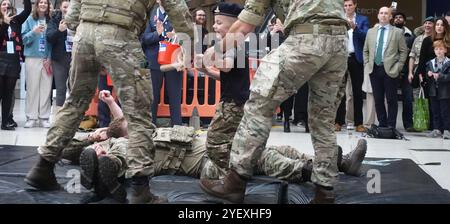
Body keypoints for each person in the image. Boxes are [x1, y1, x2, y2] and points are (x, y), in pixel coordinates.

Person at [24, 0, 194, 204]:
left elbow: (74, 13)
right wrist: (189, 51)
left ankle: (42, 167)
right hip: (122, 38)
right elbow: (182, 18)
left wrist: (93, 47)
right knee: (139, 114)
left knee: (74, 103)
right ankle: (140, 188)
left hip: (84, 37)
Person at [199, 0, 349, 204]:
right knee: (323, 121)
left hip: (306, 40)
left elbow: (244, 25)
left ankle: (234, 181)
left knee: (258, 103)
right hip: (339, 46)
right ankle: (324, 192)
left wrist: (213, 52)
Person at [61, 90, 368, 202]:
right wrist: (94, 143)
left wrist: (113, 104)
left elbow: (122, 121)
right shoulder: (125, 144)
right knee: (256, 157)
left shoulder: (141, 129)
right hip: (201, 163)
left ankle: (338, 163)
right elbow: (79, 145)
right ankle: (314, 172)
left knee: (272, 147)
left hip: (207, 142)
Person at [195, 2, 250, 177]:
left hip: (233, 104)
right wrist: (207, 71)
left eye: (219, 22)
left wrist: (206, 59)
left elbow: (226, 66)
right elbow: (227, 75)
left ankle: (229, 176)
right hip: (233, 101)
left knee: (214, 141)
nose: (213, 26)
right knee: (231, 142)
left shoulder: (234, 43)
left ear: (233, 25)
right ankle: (233, 173)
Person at [363, 7, 408, 128]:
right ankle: (382, 124)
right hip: (374, 68)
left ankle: (391, 126)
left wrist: (398, 67)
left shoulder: (397, 32)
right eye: (381, 13)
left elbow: (403, 51)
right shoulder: (371, 32)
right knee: (378, 99)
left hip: (390, 69)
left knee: (391, 99)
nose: (383, 15)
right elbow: (366, 50)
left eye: (386, 13)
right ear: (378, 16)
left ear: (390, 17)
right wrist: (367, 64)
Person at [142, 0, 183, 126]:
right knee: (153, 96)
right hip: (154, 60)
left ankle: (177, 127)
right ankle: (150, 126)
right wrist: (157, 34)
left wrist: (178, 36)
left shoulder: (178, 14)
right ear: (158, 0)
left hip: (174, 59)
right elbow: (144, 38)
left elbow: (189, 36)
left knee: (175, 96)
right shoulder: (149, 15)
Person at [335, 0, 369, 133]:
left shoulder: (362, 19)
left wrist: (355, 28)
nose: (348, 7)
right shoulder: (338, 19)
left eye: (350, 5)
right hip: (341, 57)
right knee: (340, 92)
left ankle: (359, 123)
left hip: (356, 58)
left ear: (355, 5)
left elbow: (366, 36)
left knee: (357, 92)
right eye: (345, 5)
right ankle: (338, 122)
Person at [0, 0, 31, 130]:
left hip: (13, 60)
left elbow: (28, 10)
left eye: (8, 4)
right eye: (3, 4)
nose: (6, 6)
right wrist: (4, 25)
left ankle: (5, 121)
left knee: (8, 93)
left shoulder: (16, 21)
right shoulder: (2, 24)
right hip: (1, 59)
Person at [22, 0, 53, 128]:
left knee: (46, 89)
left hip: (47, 59)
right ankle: (31, 117)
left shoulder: (51, 21)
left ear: (48, 6)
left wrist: (50, 58)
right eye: (41, 2)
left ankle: (44, 117)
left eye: (45, 2)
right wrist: (33, 32)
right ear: (37, 4)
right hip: (32, 58)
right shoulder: (30, 19)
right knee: (32, 88)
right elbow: (23, 39)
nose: (43, 4)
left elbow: (53, 41)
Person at [46, 0, 72, 118]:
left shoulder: (77, 21)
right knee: (61, 89)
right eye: (65, 7)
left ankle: (73, 117)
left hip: (74, 60)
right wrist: (59, 30)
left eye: (69, 7)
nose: (67, 9)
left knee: (74, 89)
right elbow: (49, 38)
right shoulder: (54, 20)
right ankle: (59, 118)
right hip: (59, 60)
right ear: (61, 8)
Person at [393, 11, 415, 131]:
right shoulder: (390, 34)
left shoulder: (411, 37)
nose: (398, 19)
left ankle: (408, 124)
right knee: (392, 99)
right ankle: (391, 124)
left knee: (407, 99)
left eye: (400, 17)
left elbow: (414, 54)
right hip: (392, 70)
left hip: (407, 71)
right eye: (396, 17)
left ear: (404, 21)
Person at [425, 40, 450, 139]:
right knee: (435, 111)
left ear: (445, 50)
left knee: (445, 111)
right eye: (436, 49)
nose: (438, 51)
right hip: (433, 91)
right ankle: (437, 129)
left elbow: (448, 77)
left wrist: (439, 76)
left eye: (441, 49)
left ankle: (447, 130)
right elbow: (427, 75)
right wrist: (428, 75)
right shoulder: (430, 63)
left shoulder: (448, 63)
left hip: (445, 91)